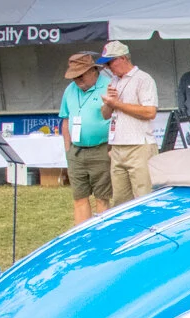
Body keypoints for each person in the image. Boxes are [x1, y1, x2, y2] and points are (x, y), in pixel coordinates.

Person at [98, 41, 158, 205]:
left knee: (143, 196)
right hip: (118, 146)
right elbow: (105, 115)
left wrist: (117, 104)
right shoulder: (114, 81)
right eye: (106, 64)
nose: (109, 68)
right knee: (120, 200)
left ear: (123, 58)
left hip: (139, 146)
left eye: (110, 62)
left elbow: (150, 112)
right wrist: (109, 103)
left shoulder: (143, 79)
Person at [59, 53, 111, 224]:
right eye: (73, 77)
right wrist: (68, 150)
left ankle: (103, 236)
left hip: (102, 149)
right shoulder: (69, 90)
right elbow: (65, 120)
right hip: (76, 151)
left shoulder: (108, 86)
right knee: (79, 197)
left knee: (102, 197)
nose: (76, 80)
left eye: (80, 75)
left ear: (92, 71)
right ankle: (82, 237)